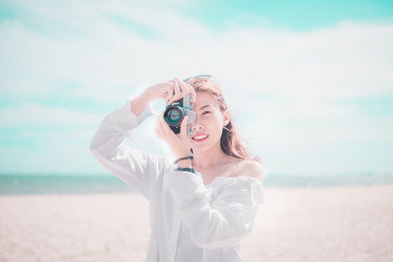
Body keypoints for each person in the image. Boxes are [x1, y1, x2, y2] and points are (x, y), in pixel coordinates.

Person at [89, 75, 265, 262]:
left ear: (225, 117)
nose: (196, 124)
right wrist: (148, 95)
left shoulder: (245, 171)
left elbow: (212, 234)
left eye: (206, 112)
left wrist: (183, 162)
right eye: (186, 115)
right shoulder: (161, 171)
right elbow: (102, 146)